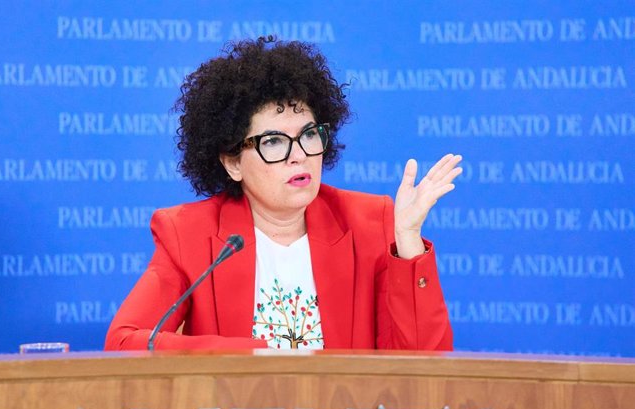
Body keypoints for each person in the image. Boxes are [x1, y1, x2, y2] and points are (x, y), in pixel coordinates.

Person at [105, 36, 462, 351]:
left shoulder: (371, 223)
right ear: (232, 162)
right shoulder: (189, 234)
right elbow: (125, 341)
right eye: (273, 141)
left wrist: (409, 241)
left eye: (309, 135)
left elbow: (422, 362)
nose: (299, 154)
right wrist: (248, 357)